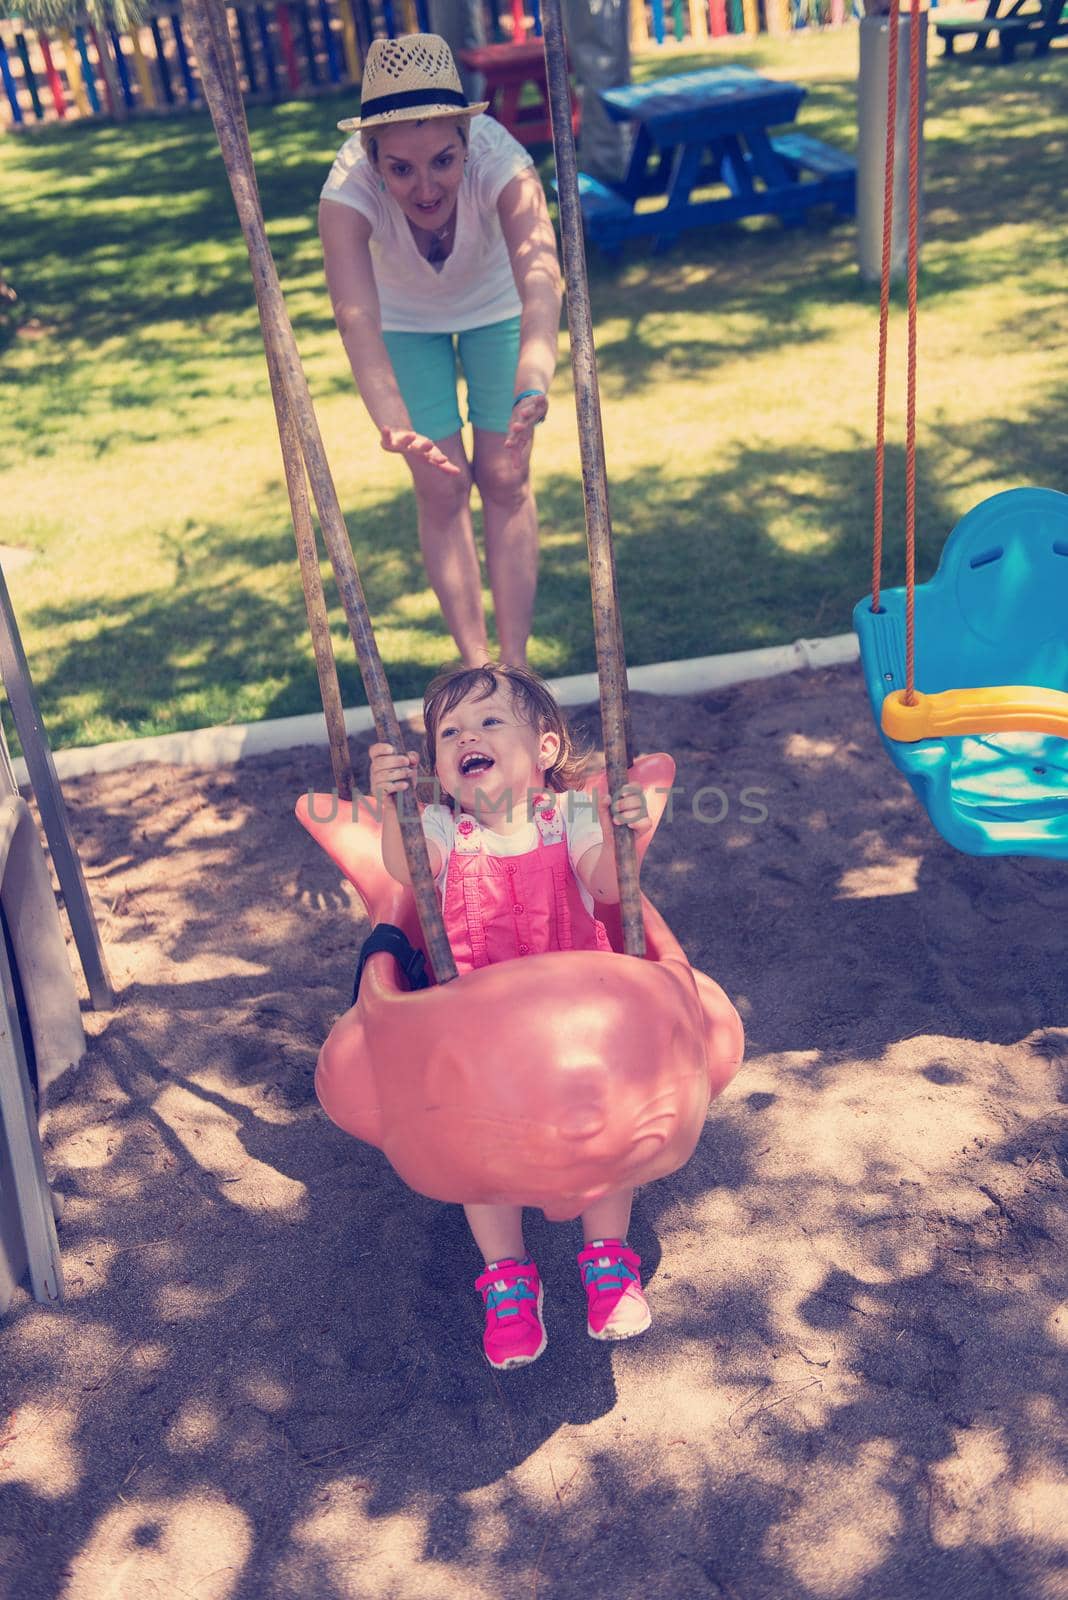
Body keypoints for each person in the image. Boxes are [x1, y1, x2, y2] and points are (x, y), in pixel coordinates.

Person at [369, 663, 655, 1369]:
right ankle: (507, 1278)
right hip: (477, 1045)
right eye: (450, 732)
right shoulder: (438, 826)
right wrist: (391, 809)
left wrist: (628, 837)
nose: (469, 735)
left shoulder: (573, 818)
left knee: (610, 1133)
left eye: (490, 721)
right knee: (476, 1156)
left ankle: (608, 1257)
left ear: (547, 750)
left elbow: (609, 887)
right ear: (436, 764)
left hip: (577, 1033)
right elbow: (406, 874)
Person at [319, 35, 563, 671]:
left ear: (465, 141)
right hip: (405, 322)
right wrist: (392, 420)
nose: (425, 187)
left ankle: (516, 667)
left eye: (443, 161)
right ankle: (478, 668)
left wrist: (534, 379)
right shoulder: (347, 188)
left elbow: (541, 278)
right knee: (440, 483)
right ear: (373, 159)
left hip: (496, 305)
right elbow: (355, 315)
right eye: (401, 168)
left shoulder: (503, 165)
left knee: (507, 474)